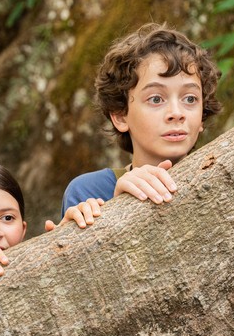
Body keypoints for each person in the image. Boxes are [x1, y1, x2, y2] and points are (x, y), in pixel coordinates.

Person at [55, 24, 222, 226]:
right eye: (156, 99)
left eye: (190, 99)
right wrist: (118, 207)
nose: (176, 113)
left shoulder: (222, 175)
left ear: (202, 115)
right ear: (120, 116)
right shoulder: (91, 191)